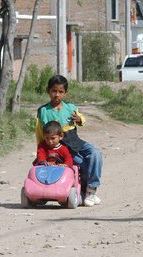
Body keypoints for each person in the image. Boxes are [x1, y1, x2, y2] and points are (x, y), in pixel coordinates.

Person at [35, 75, 103, 207]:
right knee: (83, 164)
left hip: (75, 141)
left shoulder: (71, 108)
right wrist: (41, 152)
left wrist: (80, 119)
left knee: (95, 154)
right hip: (61, 147)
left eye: (61, 92)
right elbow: (39, 132)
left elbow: (81, 118)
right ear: (48, 90)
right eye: (54, 91)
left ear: (66, 93)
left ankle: (92, 190)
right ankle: (82, 192)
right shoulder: (43, 111)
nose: (57, 95)